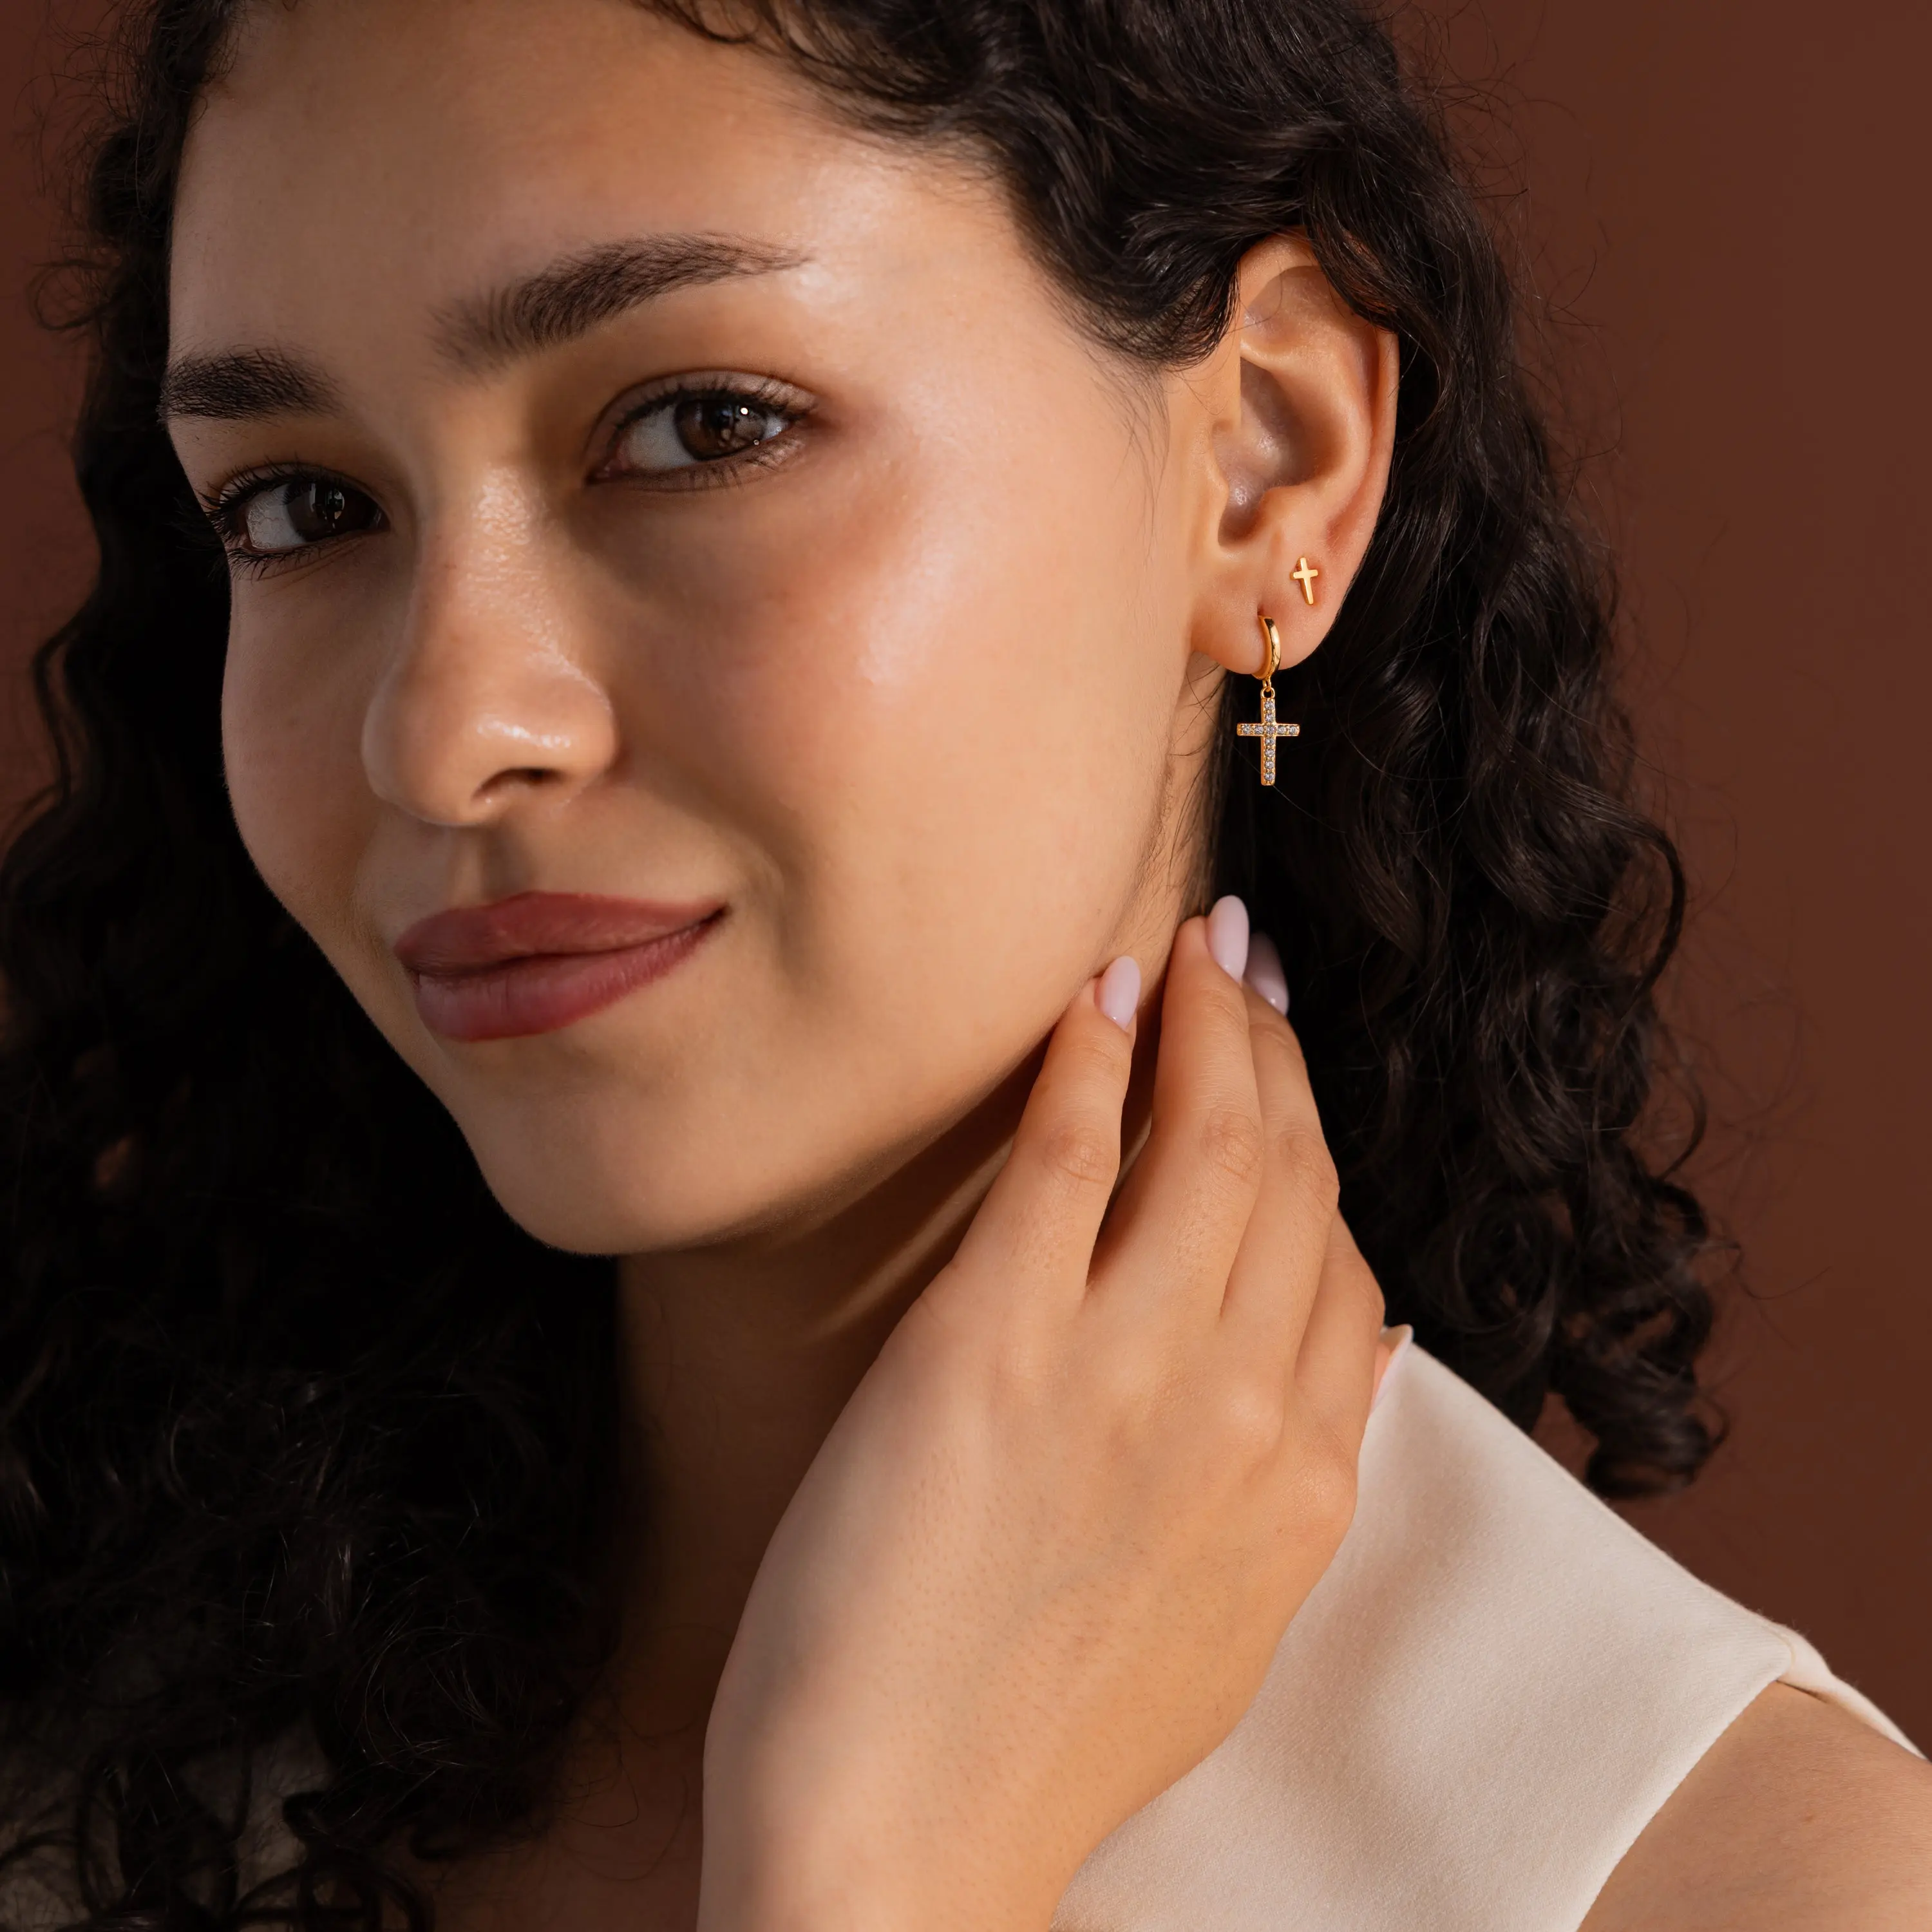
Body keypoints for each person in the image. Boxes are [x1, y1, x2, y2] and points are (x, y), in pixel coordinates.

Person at [1, 1, 1927, 1927]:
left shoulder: (1743, 1889)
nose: (440, 733)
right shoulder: (76, 1743)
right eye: (303, 508)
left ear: (1267, 463)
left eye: (699, 427)